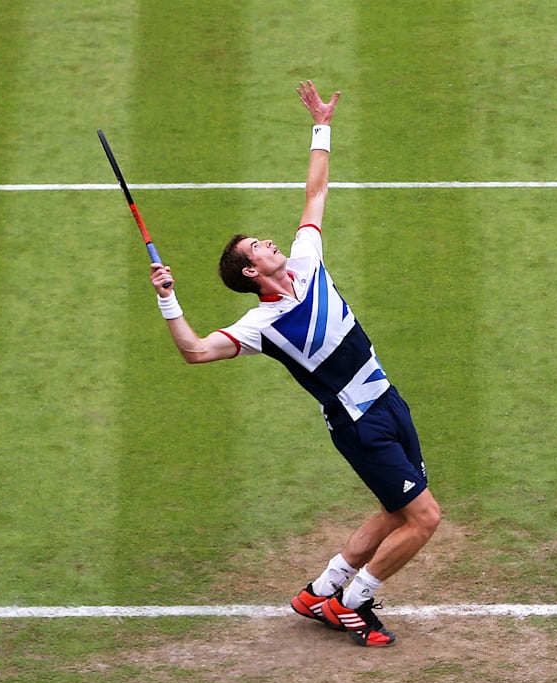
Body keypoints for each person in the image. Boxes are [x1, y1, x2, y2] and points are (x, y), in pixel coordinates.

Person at [147, 80, 441, 647]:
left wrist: (321, 124)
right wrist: (167, 297)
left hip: (387, 396)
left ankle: (319, 591)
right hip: (359, 421)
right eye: (258, 247)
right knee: (423, 518)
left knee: (395, 508)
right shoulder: (258, 326)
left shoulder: (307, 259)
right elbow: (194, 351)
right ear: (251, 274)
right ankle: (351, 602)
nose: (270, 242)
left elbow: (315, 191)